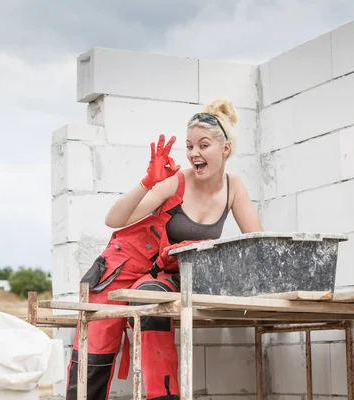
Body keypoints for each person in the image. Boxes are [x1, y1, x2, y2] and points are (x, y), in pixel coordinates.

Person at [65, 98, 263, 400]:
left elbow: (258, 244)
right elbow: (114, 219)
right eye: (189, 146)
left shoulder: (233, 187)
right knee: (142, 298)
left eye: (203, 145)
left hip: (197, 279)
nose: (194, 153)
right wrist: (148, 182)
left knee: (148, 291)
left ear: (225, 150)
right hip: (160, 276)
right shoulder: (177, 181)